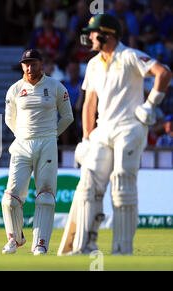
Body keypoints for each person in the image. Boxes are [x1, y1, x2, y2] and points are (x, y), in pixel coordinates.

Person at [60, 13, 171, 256]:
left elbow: (163, 73)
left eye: (93, 32)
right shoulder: (92, 64)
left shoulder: (129, 56)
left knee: (122, 184)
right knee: (88, 185)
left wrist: (150, 105)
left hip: (129, 127)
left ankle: (122, 250)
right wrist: (87, 138)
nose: (89, 36)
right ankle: (85, 246)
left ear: (107, 34)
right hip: (103, 130)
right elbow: (89, 103)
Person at [1, 49, 73, 255]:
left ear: (42, 64)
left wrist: (51, 135)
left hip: (47, 144)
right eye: (26, 64)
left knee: (45, 196)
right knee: (10, 198)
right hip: (22, 144)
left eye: (33, 64)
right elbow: (9, 119)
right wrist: (23, 135)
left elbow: (68, 117)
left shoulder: (56, 86)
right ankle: (14, 239)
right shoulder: (14, 89)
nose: (29, 68)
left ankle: (40, 242)